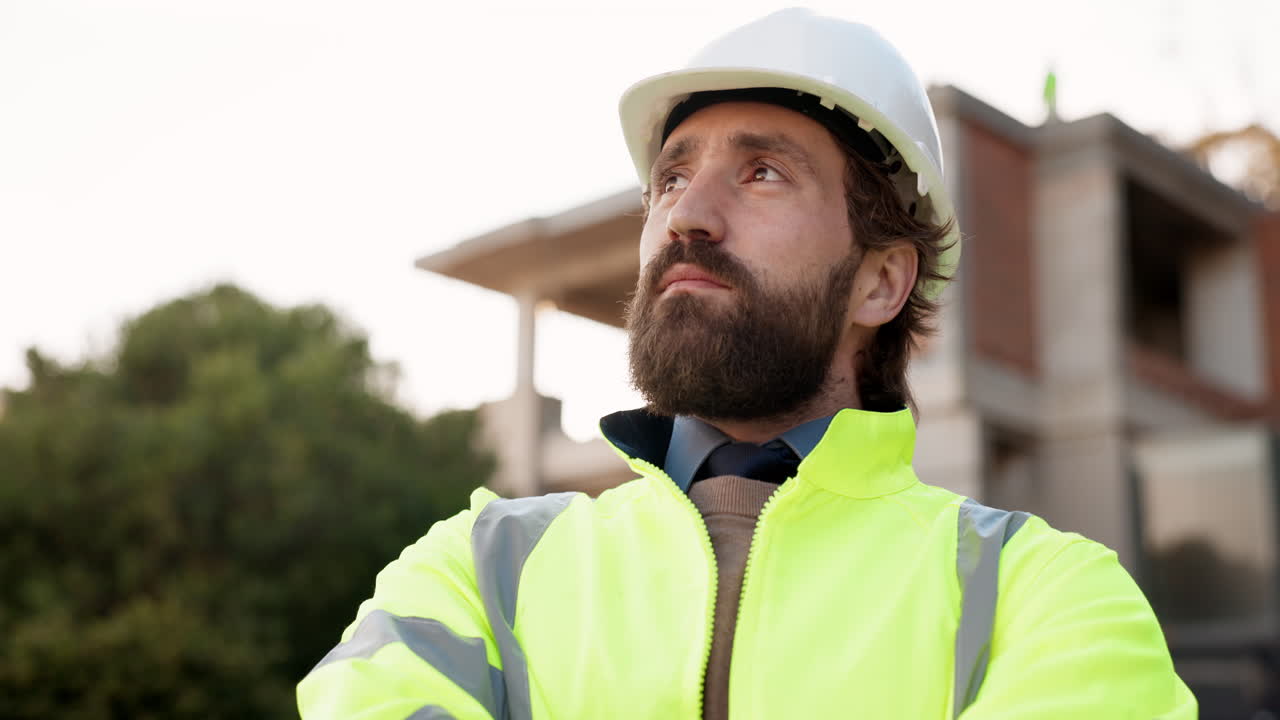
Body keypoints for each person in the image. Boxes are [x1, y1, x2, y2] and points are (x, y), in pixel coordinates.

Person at [298, 9, 1196, 719]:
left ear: (881, 281)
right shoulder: (480, 566)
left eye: (764, 172)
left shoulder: (1043, 597)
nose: (688, 215)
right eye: (671, 179)